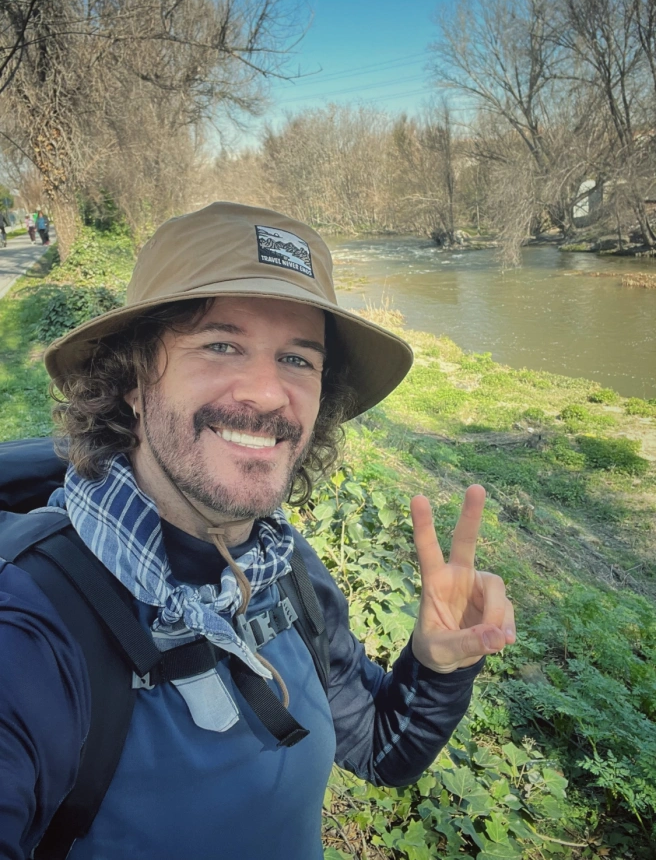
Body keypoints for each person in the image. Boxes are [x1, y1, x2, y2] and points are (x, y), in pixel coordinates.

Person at [0, 202, 515, 858]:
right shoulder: (31, 630)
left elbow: (382, 751)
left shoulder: (285, 568)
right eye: (221, 344)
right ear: (131, 378)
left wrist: (438, 665)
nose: (270, 395)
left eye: (298, 360)